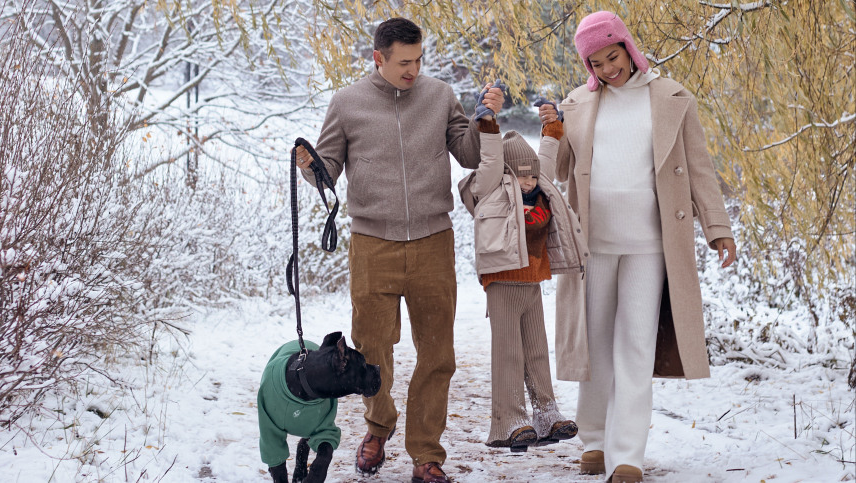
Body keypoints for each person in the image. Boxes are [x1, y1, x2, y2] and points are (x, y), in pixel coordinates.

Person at [294, 17, 504, 483]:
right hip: (372, 244)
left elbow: (469, 154)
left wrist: (485, 120)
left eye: (419, 59)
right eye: (404, 62)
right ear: (379, 58)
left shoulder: (439, 96)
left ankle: (426, 453)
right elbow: (327, 169)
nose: (414, 70)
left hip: (433, 242)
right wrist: (309, 165)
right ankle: (378, 424)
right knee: (371, 349)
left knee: (437, 354)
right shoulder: (346, 104)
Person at [537, 11, 737, 483]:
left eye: (614, 56)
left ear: (628, 47)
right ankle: (593, 440)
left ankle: (626, 456)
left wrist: (717, 227)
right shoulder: (578, 104)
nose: (609, 69)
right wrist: (553, 131)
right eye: (597, 62)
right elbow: (559, 171)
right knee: (596, 344)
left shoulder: (670, 97)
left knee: (635, 345)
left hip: (651, 244)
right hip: (593, 245)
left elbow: (699, 168)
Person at [457, 104, 588, 452]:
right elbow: (489, 162)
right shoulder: (492, 188)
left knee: (536, 351)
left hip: (532, 280)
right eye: (521, 176)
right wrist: (487, 126)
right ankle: (509, 420)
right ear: (507, 174)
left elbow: (544, 159)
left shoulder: (538, 187)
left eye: (531, 176)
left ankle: (546, 413)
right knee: (508, 353)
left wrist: (553, 129)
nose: (529, 181)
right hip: (502, 282)